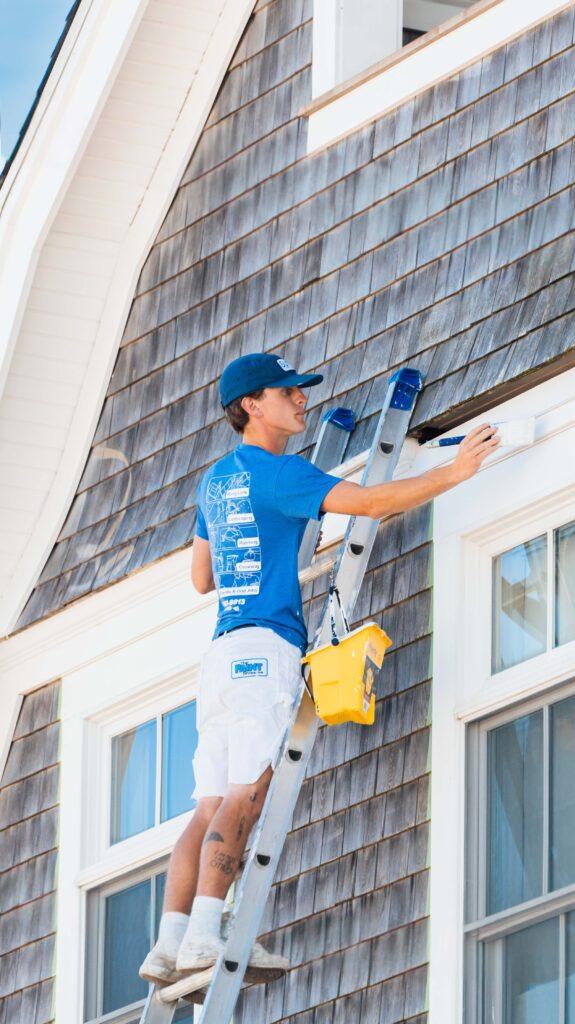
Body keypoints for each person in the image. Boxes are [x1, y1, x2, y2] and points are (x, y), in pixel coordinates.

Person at [139, 353, 499, 986]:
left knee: (207, 807)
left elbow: (201, 578)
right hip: (264, 652)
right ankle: (204, 934)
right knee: (248, 795)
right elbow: (369, 500)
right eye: (288, 392)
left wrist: (257, 542)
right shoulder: (280, 474)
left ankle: (168, 945)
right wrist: (456, 471)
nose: (301, 400)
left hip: (221, 657)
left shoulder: (217, 482)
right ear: (251, 405)